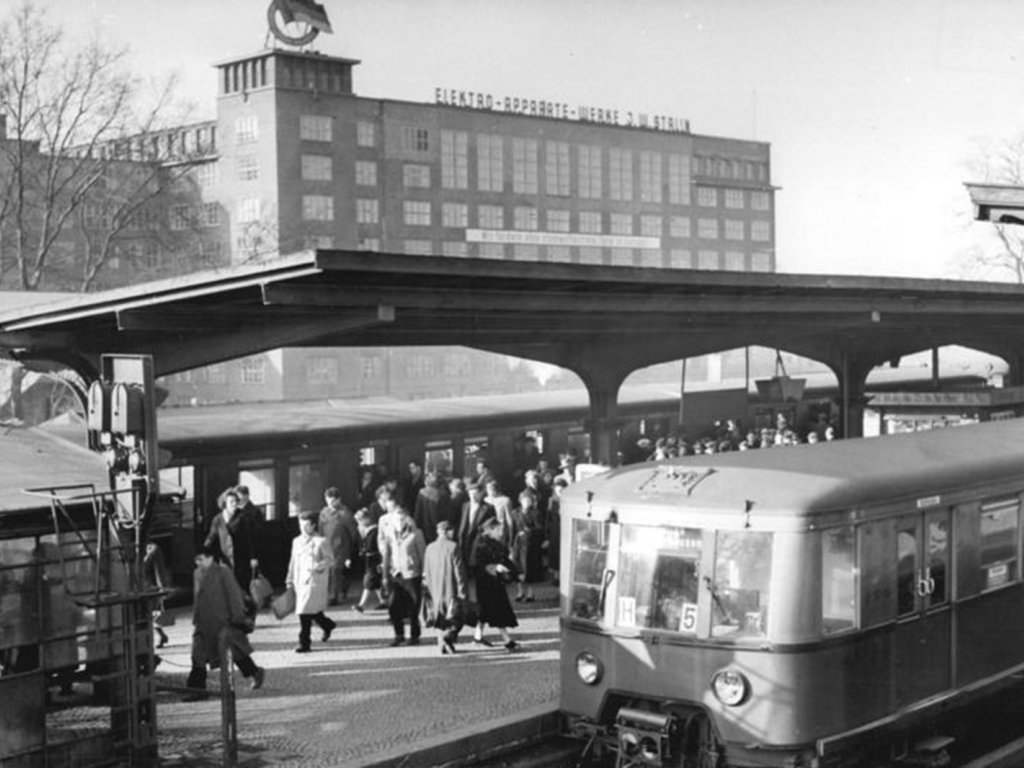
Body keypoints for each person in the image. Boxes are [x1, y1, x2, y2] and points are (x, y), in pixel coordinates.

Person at [184, 545, 265, 700]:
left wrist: (238, 618)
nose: (198, 563)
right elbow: (197, 598)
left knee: (236, 652)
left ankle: (254, 672)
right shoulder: (197, 574)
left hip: (224, 621)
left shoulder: (223, 572)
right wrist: (196, 618)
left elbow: (234, 597)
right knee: (197, 655)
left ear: (210, 558)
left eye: (201, 559)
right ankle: (198, 690)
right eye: (196, 561)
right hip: (204, 623)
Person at [287, 510, 337, 653]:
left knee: (304, 612)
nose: (303, 528)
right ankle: (327, 624)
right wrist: (289, 578)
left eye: (306, 525)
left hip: (315, 581)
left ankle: (304, 643)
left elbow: (330, 559)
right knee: (311, 611)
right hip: (300, 580)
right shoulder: (296, 541)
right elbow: (293, 561)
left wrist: (318, 566)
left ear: (313, 526)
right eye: (300, 525)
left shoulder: (321, 541)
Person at [378, 505, 426, 646]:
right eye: (396, 519)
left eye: (401, 518)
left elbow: (423, 555)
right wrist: (385, 576)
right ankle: (399, 635)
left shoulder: (416, 534)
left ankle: (414, 635)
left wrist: (424, 575)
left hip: (412, 574)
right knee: (393, 606)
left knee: (414, 605)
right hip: (396, 575)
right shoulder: (390, 535)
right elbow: (386, 556)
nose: (399, 522)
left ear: (407, 520)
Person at [470, 517, 519, 652]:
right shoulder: (481, 543)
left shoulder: (493, 542)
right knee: (498, 611)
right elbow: (478, 564)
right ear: (491, 530)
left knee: (485, 611)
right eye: (499, 529)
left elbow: (504, 558)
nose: (502, 532)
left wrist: (514, 571)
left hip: (493, 582)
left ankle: (478, 636)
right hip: (487, 583)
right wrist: (494, 567)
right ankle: (507, 641)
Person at [422, 520, 468, 655]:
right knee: (456, 617)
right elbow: (459, 572)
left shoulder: (429, 547)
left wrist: (426, 589)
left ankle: (442, 645)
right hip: (450, 587)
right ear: (448, 532)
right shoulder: (453, 546)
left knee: (439, 617)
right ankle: (447, 637)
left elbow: (426, 570)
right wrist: (463, 591)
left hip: (434, 588)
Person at [204, 488, 260, 592]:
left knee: (242, 588)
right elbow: (212, 536)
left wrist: (253, 557)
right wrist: (204, 551)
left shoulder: (243, 516)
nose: (234, 504)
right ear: (225, 503)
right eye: (231, 502)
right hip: (225, 560)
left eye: (236, 501)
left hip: (242, 559)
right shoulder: (218, 519)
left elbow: (250, 538)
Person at [319, 487, 358, 606]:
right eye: (328, 500)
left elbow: (353, 531)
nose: (330, 503)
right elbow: (321, 529)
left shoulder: (345, 513)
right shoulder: (324, 512)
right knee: (329, 571)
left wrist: (354, 547)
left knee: (335, 570)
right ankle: (339, 589)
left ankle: (333, 596)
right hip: (327, 546)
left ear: (339, 500)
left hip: (341, 547)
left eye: (332, 501)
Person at [512, 490, 544, 603]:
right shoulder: (515, 512)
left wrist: (530, 531)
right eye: (524, 500)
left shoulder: (536, 513)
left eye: (529, 500)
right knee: (518, 568)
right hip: (518, 543)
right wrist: (511, 545)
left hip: (531, 545)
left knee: (530, 569)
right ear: (520, 501)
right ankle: (520, 592)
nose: (526, 502)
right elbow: (512, 529)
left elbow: (540, 528)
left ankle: (531, 593)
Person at [457, 480, 496, 568]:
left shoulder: (488, 508)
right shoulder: (464, 506)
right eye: (470, 494)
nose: (473, 496)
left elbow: (492, 527)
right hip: (464, 539)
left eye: (475, 493)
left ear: (481, 493)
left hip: (478, 541)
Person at [353, 508, 384, 612]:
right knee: (375, 583)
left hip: (374, 559)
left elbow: (377, 546)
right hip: (366, 560)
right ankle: (384, 601)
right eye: (357, 520)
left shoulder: (375, 530)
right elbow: (356, 544)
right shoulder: (359, 530)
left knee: (368, 581)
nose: (359, 523)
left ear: (367, 519)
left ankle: (361, 605)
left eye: (361, 520)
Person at [143, 540, 172, 649]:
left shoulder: (153, 549)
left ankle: (159, 636)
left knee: (151, 614)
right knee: (150, 614)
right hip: (145, 586)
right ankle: (161, 635)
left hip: (151, 588)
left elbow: (156, 570)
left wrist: (162, 589)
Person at [414, 471, 451, 544]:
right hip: (438, 528)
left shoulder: (422, 492)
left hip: (424, 527)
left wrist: (417, 525)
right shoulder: (444, 494)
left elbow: (418, 512)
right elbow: (447, 514)